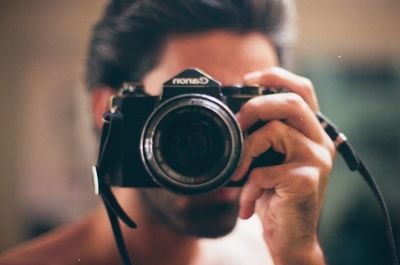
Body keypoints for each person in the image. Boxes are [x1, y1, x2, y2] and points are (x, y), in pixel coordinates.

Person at [0, 0, 335, 264]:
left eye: (237, 107)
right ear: (109, 110)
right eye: (189, 107)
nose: (223, 137)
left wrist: (300, 257)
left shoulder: (271, 256)